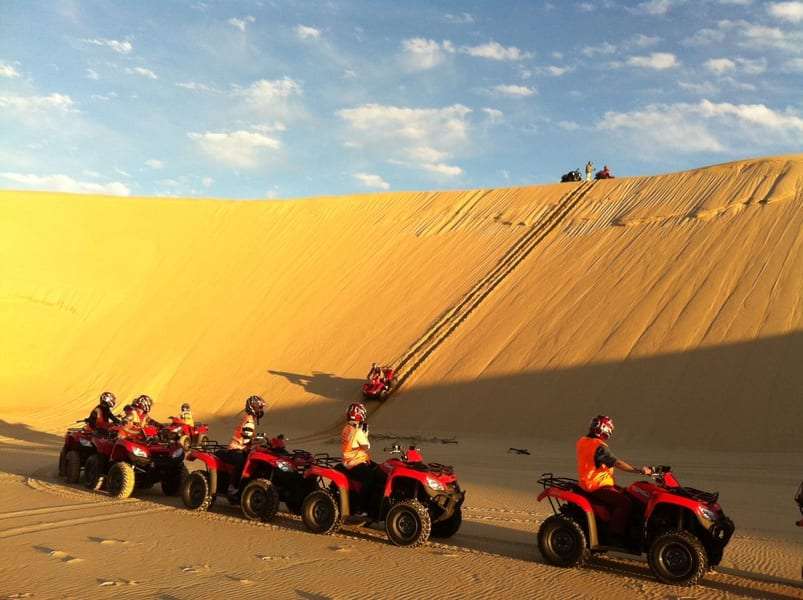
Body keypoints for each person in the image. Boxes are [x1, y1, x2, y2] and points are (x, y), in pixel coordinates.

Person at [576, 415, 651, 542]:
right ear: (604, 429)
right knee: (625, 503)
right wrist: (639, 470)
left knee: (629, 493)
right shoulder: (599, 446)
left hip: (589, 482)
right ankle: (615, 535)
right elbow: (617, 463)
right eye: (609, 429)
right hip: (597, 486)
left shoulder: (583, 441)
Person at [341, 402, 384, 513]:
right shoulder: (357, 432)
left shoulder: (346, 428)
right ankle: (362, 507)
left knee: (378, 468)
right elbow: (366, 446)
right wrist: (365, 433)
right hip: (355, 462)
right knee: (370, 478)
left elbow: (354, 443)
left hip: (348, 461)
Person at [223, 395, 266, 495]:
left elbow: (249, 434)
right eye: (259, 407)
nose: (261, 410)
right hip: (236, 448)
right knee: (241, 462)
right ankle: (232, 487)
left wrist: (262, 437)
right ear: (252, 407)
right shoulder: (249, 420)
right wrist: (260, 440)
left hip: (242, 448)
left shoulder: (249, 419)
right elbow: (247, 440)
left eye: (261, 408)